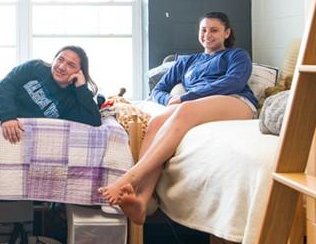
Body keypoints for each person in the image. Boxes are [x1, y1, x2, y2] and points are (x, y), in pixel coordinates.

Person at [99, 12, 256, 223]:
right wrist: (169, 100)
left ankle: (132, 177)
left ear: (227, 33)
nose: (207, 35)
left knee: (185, 110)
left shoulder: (236, 55)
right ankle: (143, 202)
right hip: (196, 105)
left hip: (234, 101)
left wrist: (185, 97)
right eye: (204, 30)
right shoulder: (188, 61)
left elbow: (234, 82)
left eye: (214, 30)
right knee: (156, 123)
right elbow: (159, 89)